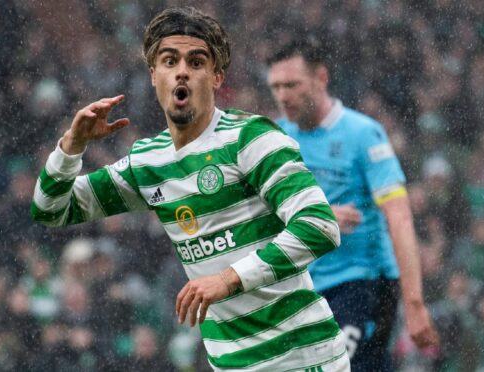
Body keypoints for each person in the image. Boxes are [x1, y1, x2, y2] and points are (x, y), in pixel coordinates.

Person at [31, 7, 350, 371]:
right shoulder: (147, 162)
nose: (182, 70)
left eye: (196, 62)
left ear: (216, 77)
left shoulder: (251, 138)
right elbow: (51, 209)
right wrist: (71, 146)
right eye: (169, 61)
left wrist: (228, 279)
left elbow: (319, 227)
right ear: (154, 75)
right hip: (230, 365)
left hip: (302, 359)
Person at [266, 36, 440, 371]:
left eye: (292, 84)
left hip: (365, 283)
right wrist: (317, 216)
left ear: (321, 79)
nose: (282, 95)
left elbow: (400, 218)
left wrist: (415, 303)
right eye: (276, 86)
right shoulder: (276, 139)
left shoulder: (363, 134)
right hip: (306, 286)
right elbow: (259, 214)